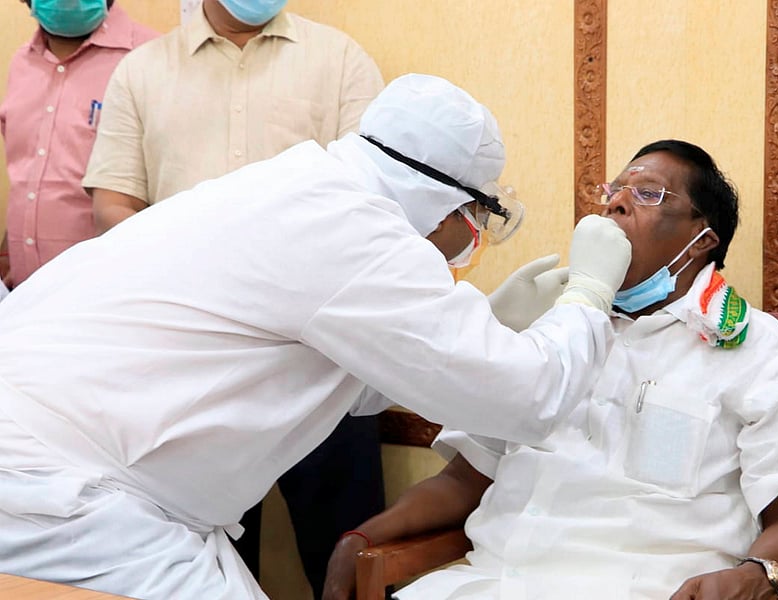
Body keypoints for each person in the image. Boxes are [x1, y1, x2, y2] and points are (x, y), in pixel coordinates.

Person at [0, 73, 633, 600]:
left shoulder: (296, 185)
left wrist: (487, 326)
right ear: (445, 202)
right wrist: (590, 296)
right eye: (476, 218)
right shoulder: (359, 231)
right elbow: (527, 400)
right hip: (66, 497)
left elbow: (336, 379)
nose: (471, 236)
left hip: (55, 468)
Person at [322, 139, 778, 600]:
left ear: (702, 240)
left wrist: (757, 575)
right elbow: (464, 479)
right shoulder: (552, 335)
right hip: (495, 583)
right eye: (613, 191)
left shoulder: (758, 349)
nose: (618, 203)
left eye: (648, 194)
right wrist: (362, 537)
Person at [80, 0, 385, 591]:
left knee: (345, 540)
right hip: (186, 365)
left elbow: (372, 201)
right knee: (194, 555)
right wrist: (182, 268)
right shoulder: (142, 71)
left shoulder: (340, 59)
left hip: (318, 355)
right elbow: (113, 202)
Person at [0, 0, 156, 290]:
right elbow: (27, 181)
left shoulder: (151, 59)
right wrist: (11, 253)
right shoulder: (21, 62)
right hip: (24, 295)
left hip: (108, 296)